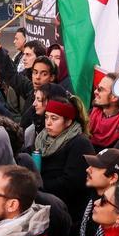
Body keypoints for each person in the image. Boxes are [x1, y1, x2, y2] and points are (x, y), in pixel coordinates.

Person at [35, 95, 94, 223]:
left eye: (54, 118)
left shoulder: (80, 143)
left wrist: (38, 186)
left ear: (68, 122)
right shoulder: (41, 139)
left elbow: (71, 183)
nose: (48, 122)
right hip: (43, 206)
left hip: (67, 211)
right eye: (46, 117)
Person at [88, 73, 119, 150]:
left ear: (114, 97)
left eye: (100, 89)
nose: (95, 91)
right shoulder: (90, 114)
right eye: (96, 87)